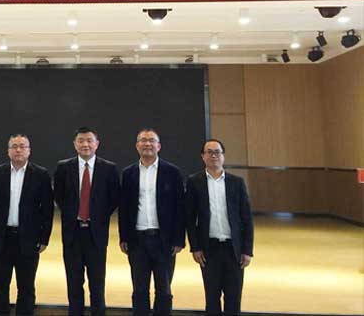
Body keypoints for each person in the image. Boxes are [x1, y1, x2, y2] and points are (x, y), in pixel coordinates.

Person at [0, 134, 54, 315]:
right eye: (14, 146)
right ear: (8, 151)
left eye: (22, 146)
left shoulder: (41, 175)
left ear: (29, 151)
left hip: (29, 240)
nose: (18, 150)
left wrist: (44, 238)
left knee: (26, 287)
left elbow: (47, 210)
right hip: (1, 239)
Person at [53, 127, 120, 316]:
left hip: (96, 234)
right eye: (81, 140)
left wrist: (98, 217)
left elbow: (114, 198)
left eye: (90, 140)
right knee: (74, 284)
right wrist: (72, 214)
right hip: (72, 233)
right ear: (75, 144)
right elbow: (59, 196)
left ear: (97, 144)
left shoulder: (109, 168)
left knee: (97, 284)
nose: (85, 144)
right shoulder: (63, 168)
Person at [118, 128, 185, 316]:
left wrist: (179, 239)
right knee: (139, 289)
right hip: (137, 240)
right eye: (143, 140)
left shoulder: (172, 172)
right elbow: (124, 208)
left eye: (151, 140)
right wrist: (124, 237)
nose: (147, 144)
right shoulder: (128, 173)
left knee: (164, 290)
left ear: (159, 146)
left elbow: (180, 208)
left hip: (164, 240)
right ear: (137, 146)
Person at [185, 139, 254, 316]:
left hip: (234, 249)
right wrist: (195, 247)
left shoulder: (236, 182)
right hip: (209, 249)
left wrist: (247, 250)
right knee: (212, 298)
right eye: (209, 152)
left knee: (234, 298)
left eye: (217, 152)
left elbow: (247, 218)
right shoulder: (194, 182)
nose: (213, 155)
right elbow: (190, 218)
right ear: (203, 156)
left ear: (223, 156)